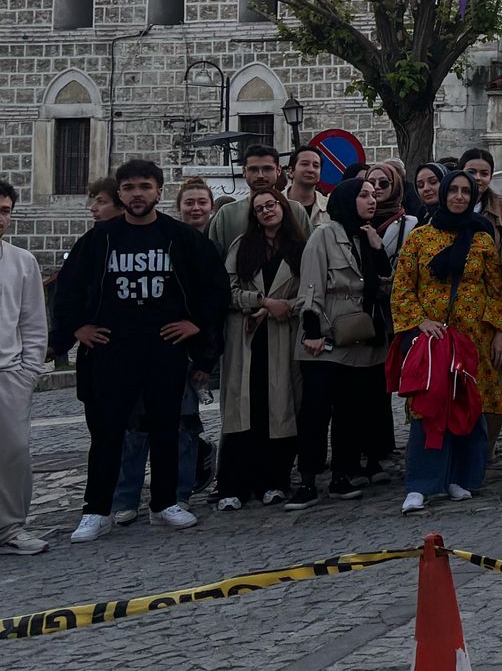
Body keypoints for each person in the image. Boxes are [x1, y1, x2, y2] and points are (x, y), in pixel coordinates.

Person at [57, 159, 228, 542]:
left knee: (166, 427)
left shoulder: (181, 239)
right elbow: (67, 289)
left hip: (164, 347)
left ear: (159, 191)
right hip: (110, 349)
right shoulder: (98, 240)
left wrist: (197, 326)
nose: (137, 194)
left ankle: (166, 503)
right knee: (107, 433)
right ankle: (97, 510)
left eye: (145, 187)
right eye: (130, 187)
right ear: (120, 193)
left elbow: (215, 288)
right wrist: (76, 328)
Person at [390, 169, 502, 513]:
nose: (459, 196)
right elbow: (402, 287)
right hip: (434, 339)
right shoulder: (419, 238)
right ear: (442, 194)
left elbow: (496, 288)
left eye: (465, 191)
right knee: (428, 408)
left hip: (474, 337)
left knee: (468, 408)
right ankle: (421, 484)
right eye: (453, 190)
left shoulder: (482, 239)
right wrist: (419, 321)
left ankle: (460, 477)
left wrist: (500, 330)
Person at [287, 176, 391, 509]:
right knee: (316, 412)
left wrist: (378, 250)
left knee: (350, 411)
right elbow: (312, 286)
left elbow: (384, 286)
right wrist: (313, 332)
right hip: (327, 334)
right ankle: (307, 480)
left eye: (374, 195)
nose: (371, 201)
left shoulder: (367, 236)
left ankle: (341, 475)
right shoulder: (323, 235)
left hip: (358, 338)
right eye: (363, 195)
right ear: (348, 200)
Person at [216, 191, 304, 509]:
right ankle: (233, 486)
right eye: (259, 208)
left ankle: (275, 481)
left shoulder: (299, 247)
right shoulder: (242, 246)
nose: (267, 211)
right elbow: (229, 289)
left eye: (271, 205)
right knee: (245, 411)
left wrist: (284, 307)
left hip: (283, 335)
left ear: (283, 207)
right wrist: (262, 302)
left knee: (279, 409)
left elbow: (309, 292)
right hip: (248, 338)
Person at [0, 181, 50, 554]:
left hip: (9, 373)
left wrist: (28, 371)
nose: (0, 218)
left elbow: (33, 322)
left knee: (14, 453)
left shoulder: (22, 261)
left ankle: (10, 528)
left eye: (5, 211)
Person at [208, 143, 310, 254]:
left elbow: (310, 255)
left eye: (267, 169)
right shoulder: (226, 214)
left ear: (279, 170)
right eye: (253, 169)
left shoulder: (296, 211)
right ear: (244, 171)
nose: (260, 175)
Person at [460, 148, 502, 234]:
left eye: (484, 174)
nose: (477, 178)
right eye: (471, 172)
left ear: (490, 177)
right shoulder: (449, 203)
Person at [284, 146, 328, 227]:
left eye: (316, 166)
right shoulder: (276, 203)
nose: (311, 170)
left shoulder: (329, 207)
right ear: (290, 171)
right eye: (305, 164)